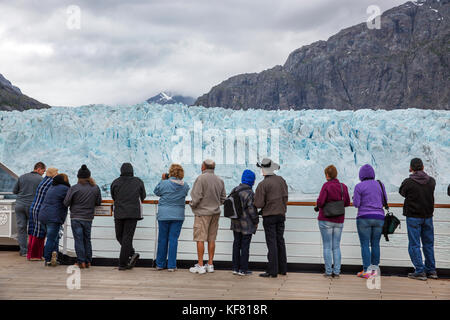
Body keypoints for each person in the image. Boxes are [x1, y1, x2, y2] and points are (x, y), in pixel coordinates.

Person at [399, 158, 437, 280]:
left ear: (411, 168)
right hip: (428, 217)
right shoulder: (432, 181)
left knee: (414, 245)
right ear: (423, 167)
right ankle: (431, 270)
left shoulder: (408, 182)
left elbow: (402, 192)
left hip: (413, 217)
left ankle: (420, 271)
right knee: (428, 244)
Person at [189, 159, 226, 274]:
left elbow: (196, 197)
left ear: (203, 167)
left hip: (202, 213)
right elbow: (223, 198)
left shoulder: (200, 179)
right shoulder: (220, 180)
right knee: (211, 238)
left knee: (200, 238)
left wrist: (192, 205)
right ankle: (210, 264)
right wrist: (215, 204)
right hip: (215, 213)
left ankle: (200, 265)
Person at [254, 158, 288, 278]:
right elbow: (285, 197)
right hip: (281, 214)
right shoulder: (281, 180)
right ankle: (283, 269)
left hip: (269, 216)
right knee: (280, 241)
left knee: (272, 243)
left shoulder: (263, 184)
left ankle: (272, 270)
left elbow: (258, 203)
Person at [315, 165, 350, 278]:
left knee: (327, 246)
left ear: (327, 175)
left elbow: (320, 202)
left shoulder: (326, 186)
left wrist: (318, 204)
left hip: (326, 219)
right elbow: (347, 202)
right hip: (339, 220)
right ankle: (337, 271)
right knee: (336, 246)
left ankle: (329, 272)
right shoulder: (342, 187)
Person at [64, 165, 102, 269]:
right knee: (87, 239)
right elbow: (98, 202)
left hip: (76, 217)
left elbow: (66, 202)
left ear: (78, 177)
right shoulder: (95, 188)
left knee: (78, 239)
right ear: (89, 176)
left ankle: (81, 262)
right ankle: (88, 261)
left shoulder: (74, 188)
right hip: (88, 217)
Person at [353, 164, 387, 279]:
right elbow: (384, 201)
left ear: (361, 175)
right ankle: (375, 270)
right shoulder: (380, 185)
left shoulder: (359, 186)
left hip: (364, 218)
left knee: (365, 245)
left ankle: (366, 270)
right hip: (379, 218)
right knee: (375, 244)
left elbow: (356, 204)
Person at [154, 164, 190, 271]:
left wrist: (162, 180)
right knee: (173, 240)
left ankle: (160, 264)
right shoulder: (185, 185)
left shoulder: (164, 183)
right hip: (178, 215)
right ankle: (172, 265)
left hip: (164, 215)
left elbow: (156, 192)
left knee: (162, 239)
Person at [111, 163, 146, 271]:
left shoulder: (115, 182)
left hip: (120, 212)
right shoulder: (138, 181)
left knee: (120, 236)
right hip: (133, 213)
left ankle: (122, 263)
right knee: (126, 237)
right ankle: (131, 253)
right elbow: (143, 196)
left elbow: (113, 196)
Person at [12, 162, 46, 256]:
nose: (43, 173)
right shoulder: (41, 179)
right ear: (38, 169)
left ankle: (23, 251)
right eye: (43, 171)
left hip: (19, 205)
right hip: (32, 207)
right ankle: (33, 251)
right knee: (34, 229)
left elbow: (14, 191)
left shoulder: (22, 177)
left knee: (21, 228)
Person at [230, 169, 259, 276]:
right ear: (251, 180)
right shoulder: (250, 193)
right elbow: (251, 210)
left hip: (235, 223)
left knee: (236, 244)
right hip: (246, 224)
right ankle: (243, 269)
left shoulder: (235, 190)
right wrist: (256, 220)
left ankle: (235, 268)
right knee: (245, 246)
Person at [26, 167, 58, 261]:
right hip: (41, 209)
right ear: (52, 173)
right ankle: (36, 255)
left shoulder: (44, 180)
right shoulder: (51, 182)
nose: (57, 173)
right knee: (39, 232)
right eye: (56, 172)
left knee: (33, 231)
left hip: (34, 207)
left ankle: (30, 254)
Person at [39, 174, 71, 266]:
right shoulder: (65, 189)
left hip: (43, 216)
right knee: (51, 239)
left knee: (55, 237)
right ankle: (48, 259)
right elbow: (69, 200)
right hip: (53, 217)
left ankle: (55, 257)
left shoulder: (51, 187)